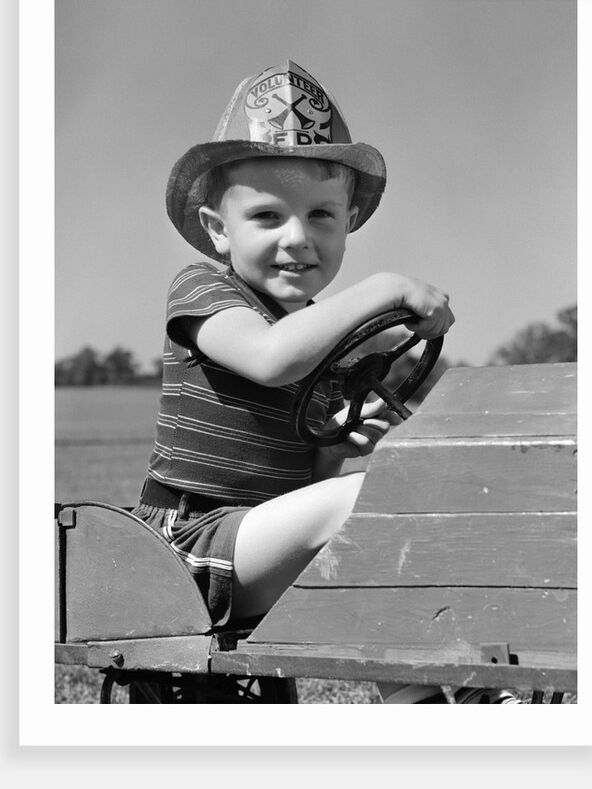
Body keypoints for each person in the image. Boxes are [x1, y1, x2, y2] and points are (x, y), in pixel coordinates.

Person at [134, 60, 517, 704]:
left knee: (384, 502)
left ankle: (420, 703)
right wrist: (385, 289)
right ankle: (456, 697)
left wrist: (333, 454)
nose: (298, 238)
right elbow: (268, 357)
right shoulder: (205, 291)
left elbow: (300, 487)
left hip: (254, 544)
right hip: (182, 550)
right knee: (364, 505)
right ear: (217, 231)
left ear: (347, 223)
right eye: (267, 217)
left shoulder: (323, 340)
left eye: (320, 215)